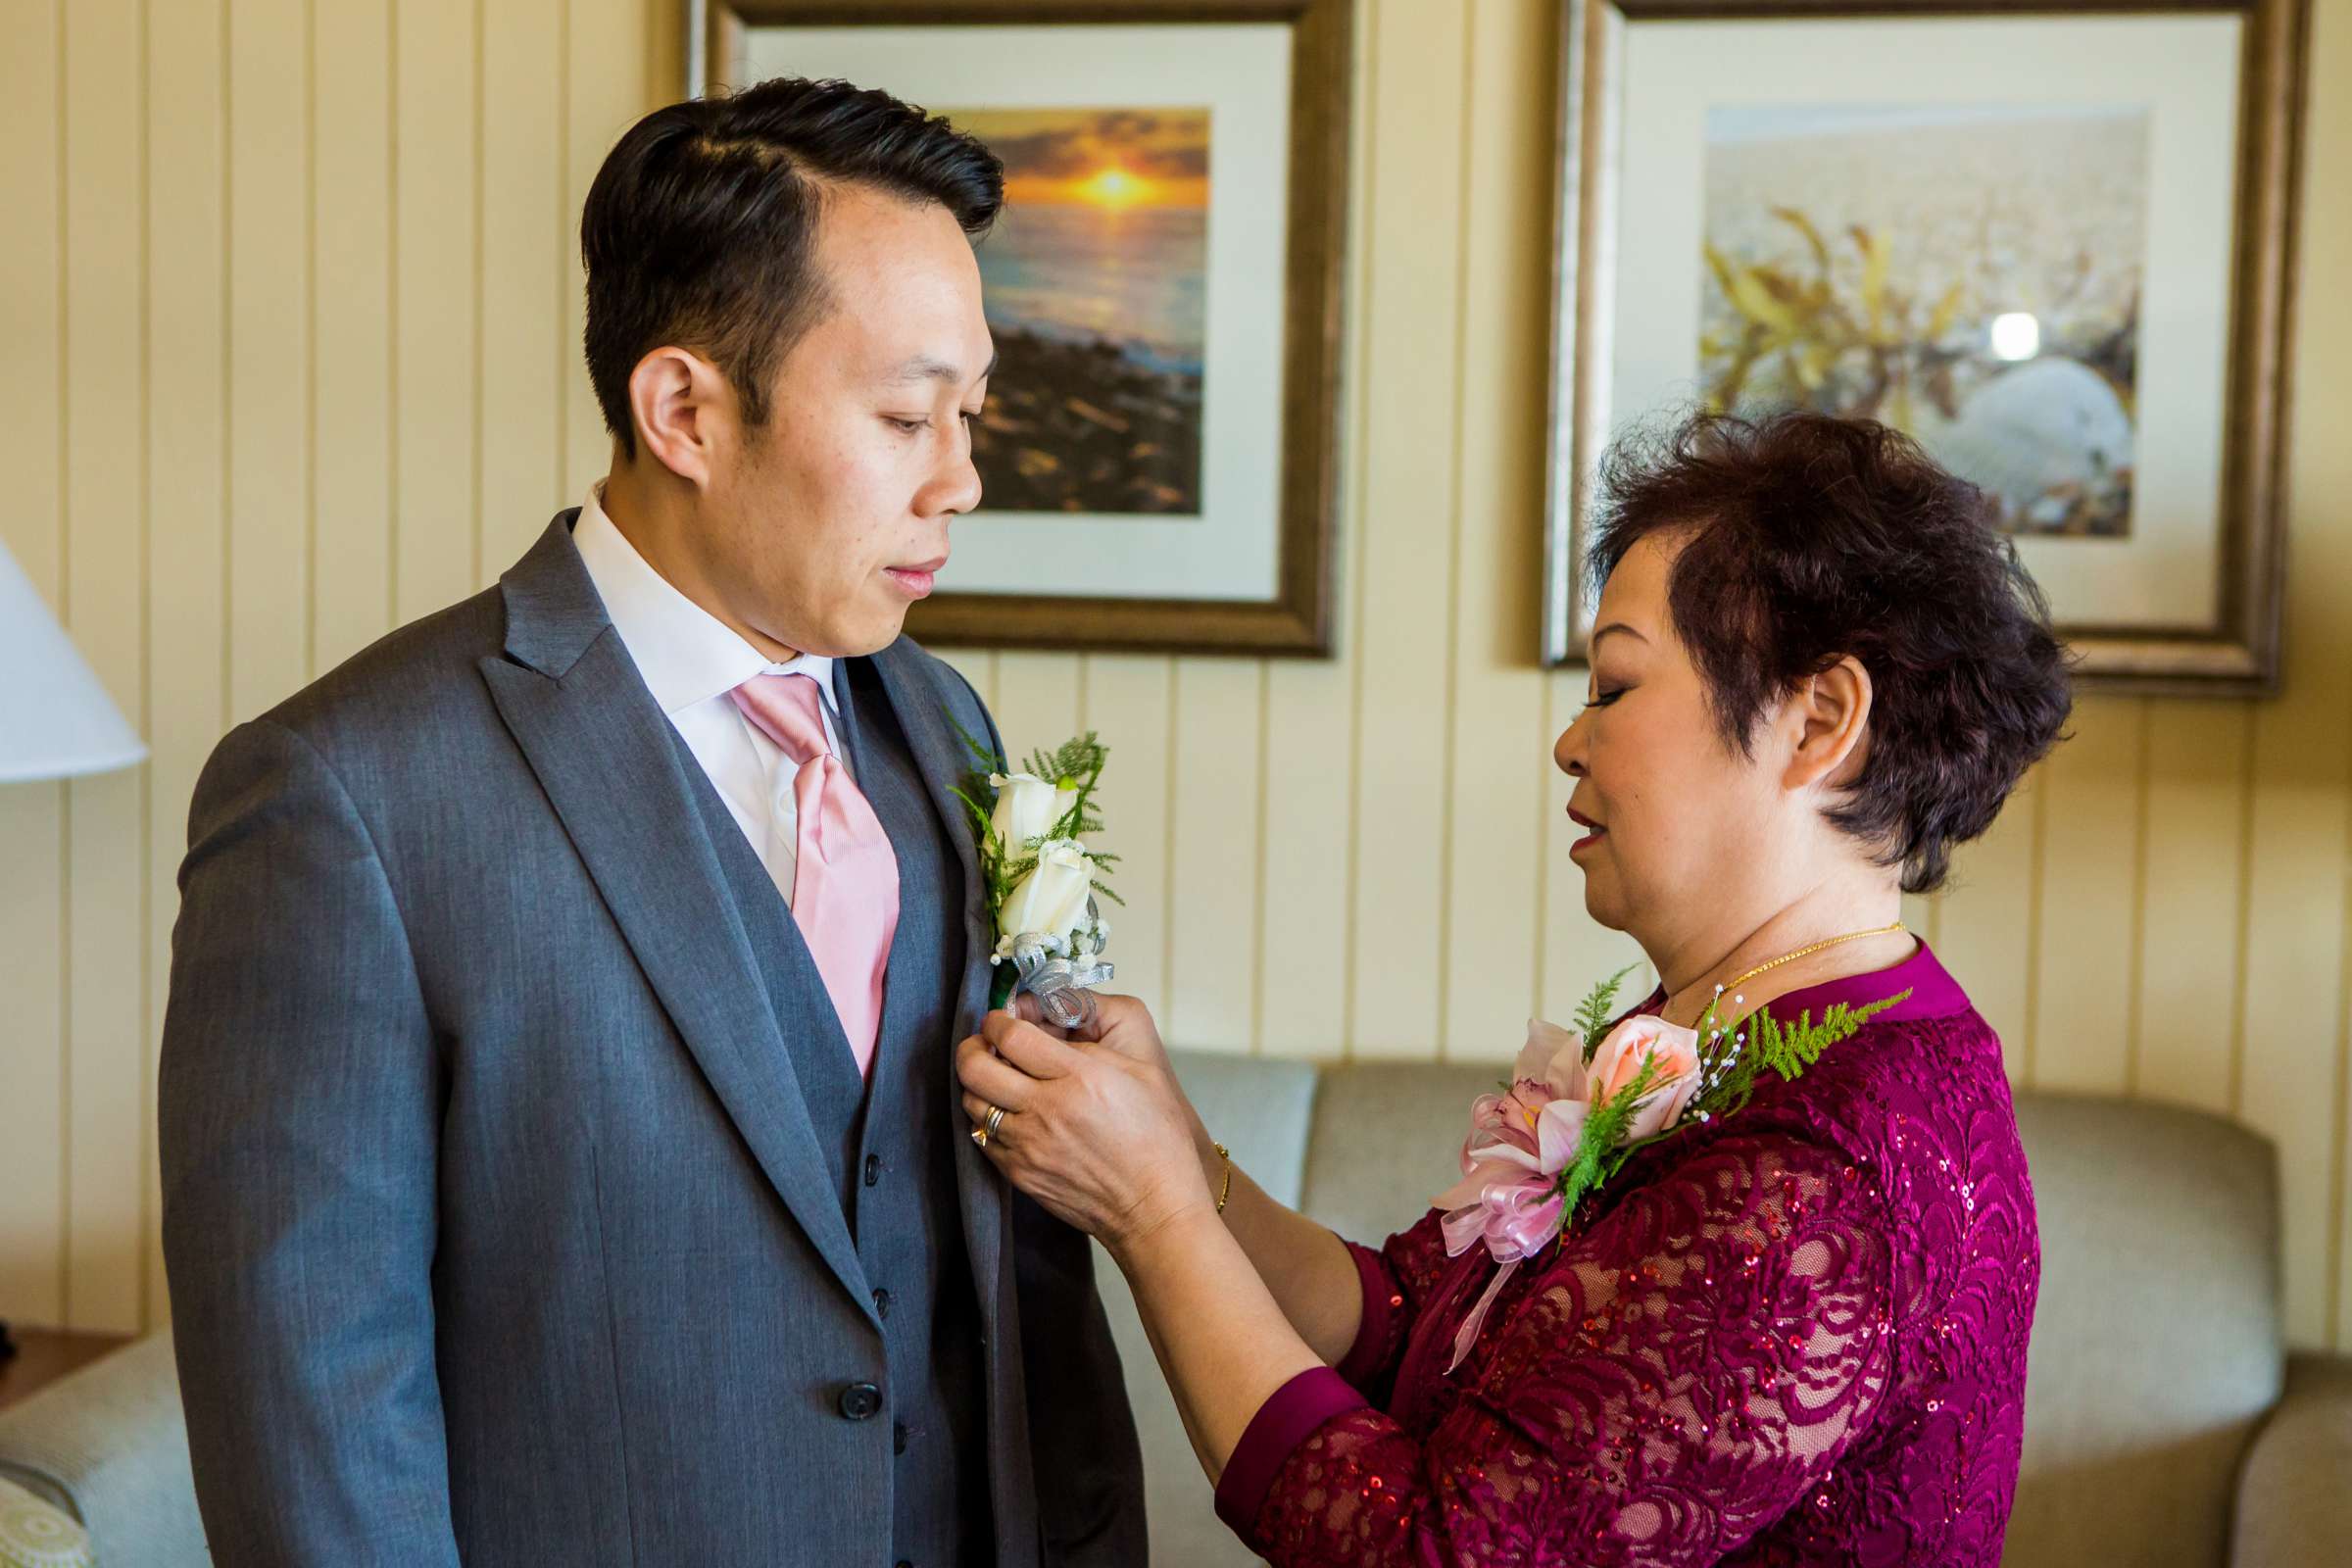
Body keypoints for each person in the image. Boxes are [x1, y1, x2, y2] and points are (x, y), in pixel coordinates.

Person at [159, 77, 1143, 1566]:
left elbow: (1020, 1292)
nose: (963, 478)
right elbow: (313, 1411)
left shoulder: (948, 729)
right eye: (903, 417)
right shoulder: (342, 796)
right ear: (683, 409)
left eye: (970, 414)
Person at [957, 410, 2070, 1564]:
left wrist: (1152, 1214)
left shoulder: (1824, 1172)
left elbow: (1429, 1548)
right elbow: (1406, 1332)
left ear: (1819, 721)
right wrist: (1183, 1149)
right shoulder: (1739, 1028)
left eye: (1618, 687)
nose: (1570, 744)